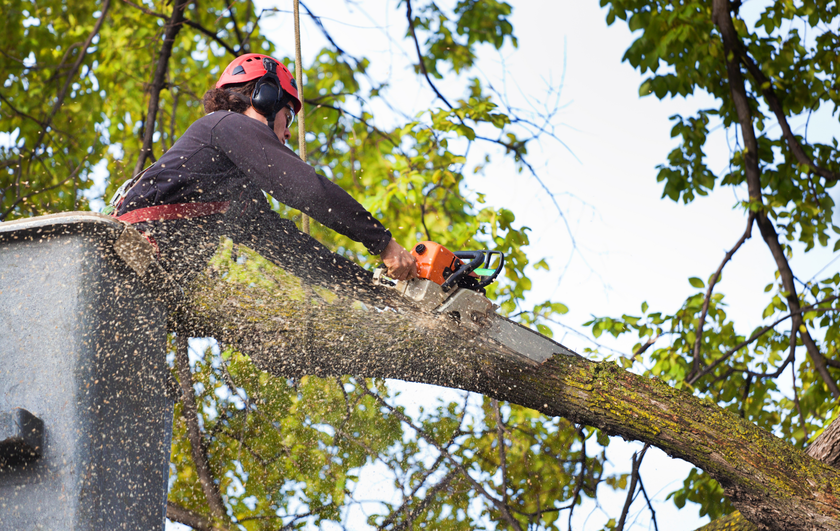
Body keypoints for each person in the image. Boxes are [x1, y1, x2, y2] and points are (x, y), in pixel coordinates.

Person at [113, 53, 417, 295]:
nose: (286, 133)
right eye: (289, 116)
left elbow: (293, 250)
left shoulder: (235, 191)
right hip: (124, 258)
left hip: (142, 282)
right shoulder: (225, 125)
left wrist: (376, 290)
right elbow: (308, 190)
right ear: (265, 98)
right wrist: (383, 243)